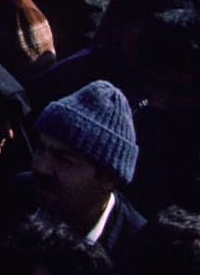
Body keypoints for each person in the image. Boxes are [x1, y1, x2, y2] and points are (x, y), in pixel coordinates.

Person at [21, 79, 145, 262]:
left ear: (110, 178)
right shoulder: (15, 198)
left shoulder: (139, 252)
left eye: (63, 159)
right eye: (40, 149)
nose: (41, 167)